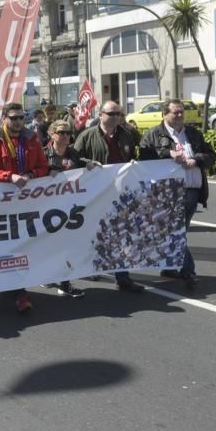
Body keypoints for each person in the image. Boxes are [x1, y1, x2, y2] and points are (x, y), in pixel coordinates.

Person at [0, 102, 49, 313]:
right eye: (14, 118)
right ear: (4, 119)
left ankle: (20, 291)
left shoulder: (33, 140)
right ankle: (11, 286)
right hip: (2, 206)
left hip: (27, 203)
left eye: (21, 117)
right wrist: (8, 176)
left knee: (24, 245)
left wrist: (30, 175)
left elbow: (42, 166)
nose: (18, 122)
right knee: (3, 246)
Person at [138, 99, 216, 289]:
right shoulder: (153, 135)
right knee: (176, 230)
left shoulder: (193, 134)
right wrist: (168, 153)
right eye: (175, 112)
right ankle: (187, 270)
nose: (180, 115)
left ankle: (171, 267)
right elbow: (144, 157)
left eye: (182, 112)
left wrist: (196, 160)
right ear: (164, 114)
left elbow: (210, 156)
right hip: (165, 192)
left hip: (191, 191)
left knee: (178, 230)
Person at [73, 101, 145, 293]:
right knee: (95, 235)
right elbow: (74, 158)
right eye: (112, 114)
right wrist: (87, 163)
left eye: (119, 114)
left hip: (121, 193)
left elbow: (137, 155)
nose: (116, 118)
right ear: (101, 114)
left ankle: (123, 277)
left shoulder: (127, 135)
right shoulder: (87, 135)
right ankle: (90, 267)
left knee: (122, 235)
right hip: (96, 194)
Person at [41, 120, 95, 299]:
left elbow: (81, 164)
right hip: (46, 207)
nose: (65, 136)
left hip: (68, 207)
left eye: (67, 132)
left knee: (66, 244)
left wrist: (88, 164)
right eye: (61, 132)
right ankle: (49, 274)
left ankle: (65, 282)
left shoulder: (73, 153)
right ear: (52, 134)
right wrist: (46, 171)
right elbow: (34, 172)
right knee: (48, 244)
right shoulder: (43, 153)